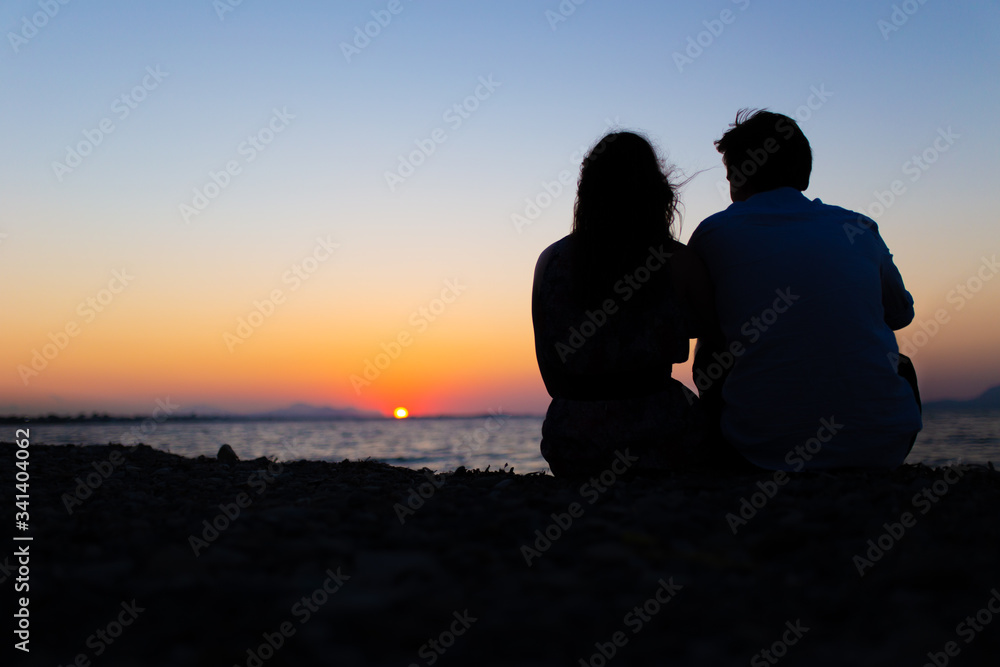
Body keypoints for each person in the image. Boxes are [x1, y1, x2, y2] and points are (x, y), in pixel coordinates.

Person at [688, 109, 922, 471]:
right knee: (900, 364)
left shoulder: (714, 233)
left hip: (758, 452)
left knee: (711, 346)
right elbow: (900, 315)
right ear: (804, 173)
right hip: (884, 448)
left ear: (738, 175)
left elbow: (695, 325)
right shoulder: (858, 226)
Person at [532, 131, 717, 478]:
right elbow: (716, 343)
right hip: (663, 438)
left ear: (587, 193)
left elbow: (551, 374)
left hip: (573, 445)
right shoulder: (679, 260)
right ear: (656, 191)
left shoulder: (550, 261)